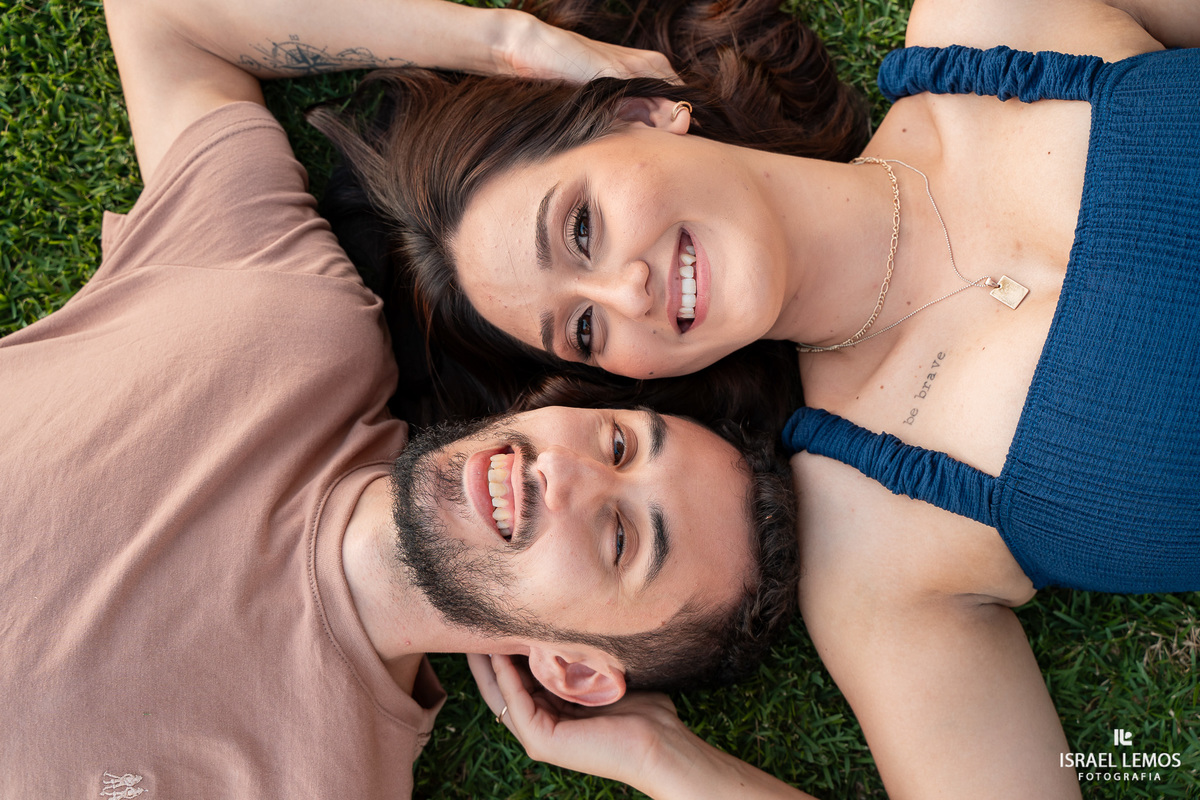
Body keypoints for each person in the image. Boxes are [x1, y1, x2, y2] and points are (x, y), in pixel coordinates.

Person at [316, 0, 1200, 796]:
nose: (628, 293)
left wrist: (496, 39)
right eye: (583, 330)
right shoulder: (879, 536)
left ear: (644, 110)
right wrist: (669, 765)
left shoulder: (990, 21)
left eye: (580, 228)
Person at [0, 0, 802, 796]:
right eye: (620, 445)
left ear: (575, 669)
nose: (569, 475)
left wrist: (670, 766)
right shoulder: (295, 321)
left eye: (620, 538)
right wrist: (508, 42)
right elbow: (165, 20)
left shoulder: (331, 781)